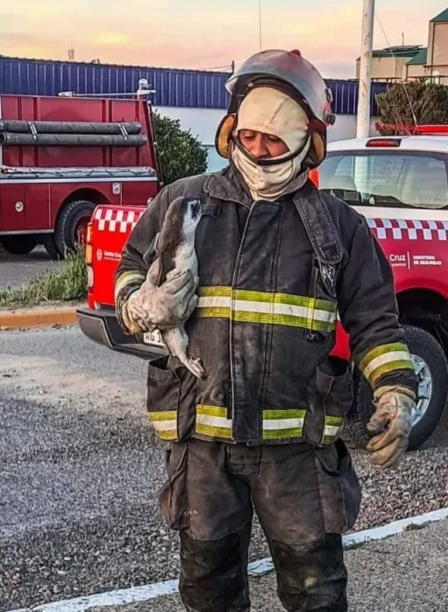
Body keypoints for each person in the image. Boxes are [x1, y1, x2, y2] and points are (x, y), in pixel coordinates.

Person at [113, 49, 419, 612]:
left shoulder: (339, 229)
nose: (258, 150)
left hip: (297, 452)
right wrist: (140, 303)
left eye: (274, 140)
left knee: (316, 592)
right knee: (208, 590)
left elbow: (376, 322)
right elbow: (130, 269)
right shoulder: (184, 202)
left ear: (309, 141)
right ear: (232, 128)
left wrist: (396, 391)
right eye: (249, 135)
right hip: (204, 444)